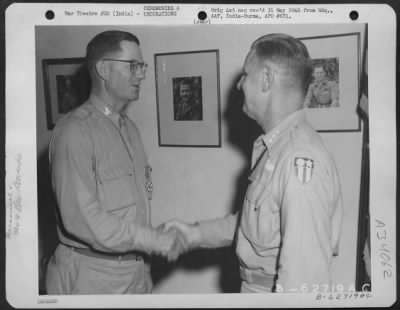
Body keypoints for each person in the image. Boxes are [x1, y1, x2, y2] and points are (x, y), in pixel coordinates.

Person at [164, 33, 343, 293]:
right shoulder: (275, 147)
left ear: (267, 79)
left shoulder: (297, 159)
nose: (239, 85)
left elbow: (304, 279)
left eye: (246, 74)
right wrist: (195, 234)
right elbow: (259, 225)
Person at [46, 30, 185, 295]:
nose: (142, 74)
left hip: (133, 270)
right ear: (103, 69)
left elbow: (137, 210)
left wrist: (143, 269)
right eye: (133, 65)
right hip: (90, 276)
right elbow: (82, 219)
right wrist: (153, 240)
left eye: (141, 66)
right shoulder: (74, 131)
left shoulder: (130, 129)